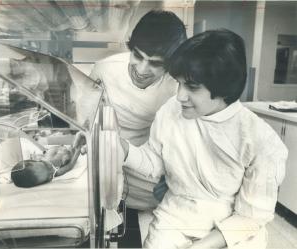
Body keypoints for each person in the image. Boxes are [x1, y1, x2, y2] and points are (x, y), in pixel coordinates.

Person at [119, 29, 288, 249]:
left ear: (224, 87)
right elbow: (154, 163)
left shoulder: (261, 140)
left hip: (233, 231)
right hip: (176, 217)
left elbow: (251, 218)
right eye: (179, 83)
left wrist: (201, 246)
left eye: (192, 87)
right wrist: (121, 147)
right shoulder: (171, 111)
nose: (180, 96)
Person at [89, 10, 187, 247]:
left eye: (155, 64)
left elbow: (181, 141)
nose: (142, 69)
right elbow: (88, 119)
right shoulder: (104, 69)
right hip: (109, 165)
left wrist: (174, 177)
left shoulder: (178, 87)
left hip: (150, 174)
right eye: (138, 55)